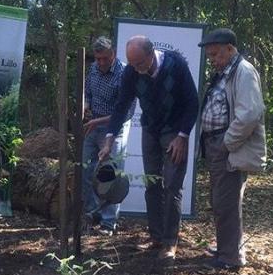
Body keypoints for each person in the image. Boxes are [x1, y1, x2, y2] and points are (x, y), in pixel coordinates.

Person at [99, 35, 199, 263]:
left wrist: (183, 136)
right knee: (152, 183)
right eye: (132, 64)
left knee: (172, 186)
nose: (136, 69)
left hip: (175, 132)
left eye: (140, 63)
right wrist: (108, 140)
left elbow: (192, 102)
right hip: (150, 131)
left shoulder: (176, 65)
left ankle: (170, 241)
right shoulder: (132, 72)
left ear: (151, 53)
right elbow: (122, 105)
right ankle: (155, 236)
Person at [199, 28, 266, 270]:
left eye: (216, 55)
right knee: (221, 200)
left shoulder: (243, 71)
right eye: (210, 57)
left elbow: (250, 114)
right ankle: (227, 247)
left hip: (228, 145)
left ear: (230, 48)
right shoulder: (225, 73)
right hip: (217, 143)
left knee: (226, 200)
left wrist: (227, 143)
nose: (214, 60)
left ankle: (230, 257)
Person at [82, 36, 131, 235]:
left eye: (104, 58)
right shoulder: (93, 69)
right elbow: (88, 94)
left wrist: (99, 121)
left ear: (113, 54)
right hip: (93, 126)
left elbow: (125, 112)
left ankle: (109, 222)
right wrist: (86, 108)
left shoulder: (124, 73)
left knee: (112, 175)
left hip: (115, 127)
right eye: (97, 58)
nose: (100, 63)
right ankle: (93, 213)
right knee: (85, 169)